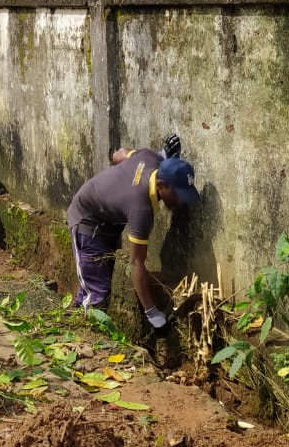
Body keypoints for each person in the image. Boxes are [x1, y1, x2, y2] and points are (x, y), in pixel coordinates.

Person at [65, 139, 200, 332]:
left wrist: (164, 157)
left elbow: (118, 154)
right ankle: (84, 339)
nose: (180, 201)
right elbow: (136, 263)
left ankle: (75, 323)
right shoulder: (141, 208)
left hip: (107, 220)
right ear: (160, 185)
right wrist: (152, 312)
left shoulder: (151, 157)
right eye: (178, 194)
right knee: (97, 294)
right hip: (87, 223)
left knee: (93, 281)